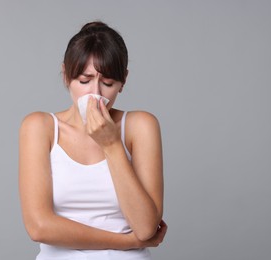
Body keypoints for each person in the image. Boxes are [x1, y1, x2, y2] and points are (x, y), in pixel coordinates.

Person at [19, 21, 167, 260]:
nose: (95, 93)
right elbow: (39, 227)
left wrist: (111, 144)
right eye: (84, 80)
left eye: (108, 83)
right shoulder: (40, 127)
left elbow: (145, 227)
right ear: (66, 75)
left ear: (123, 81)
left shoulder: (140, 126)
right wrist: (126, 241)